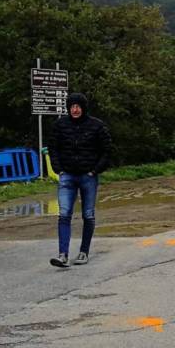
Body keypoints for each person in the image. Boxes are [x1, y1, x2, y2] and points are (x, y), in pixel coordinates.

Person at [48, 92, 112, 268]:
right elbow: (53, 147)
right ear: (68, 108)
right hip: (67, 175)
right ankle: (63, 255)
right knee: (64, 214)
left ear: (83, 108)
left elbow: (107, 150)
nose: (75, 110)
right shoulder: (60, 125)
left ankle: (84, 252)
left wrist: (95, 170)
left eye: (78, 106)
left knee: (88, 214)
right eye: (72, 106)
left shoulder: (97, 126)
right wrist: (58, 169)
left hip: (88, 176)